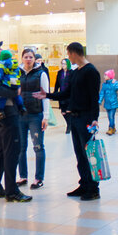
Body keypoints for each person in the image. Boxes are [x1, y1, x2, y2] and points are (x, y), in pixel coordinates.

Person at [35, 42, 100, 201]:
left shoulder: (91, 71)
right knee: (79, 154)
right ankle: (84, 183)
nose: (68, 57)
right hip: (75, 118)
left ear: (74, 53)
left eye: (68, 54)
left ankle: (93, 188)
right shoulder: (75, 72)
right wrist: (48, 95)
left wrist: (94, 119)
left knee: (87, 154)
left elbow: (94, 98)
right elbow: (66, 93)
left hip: (86, 118)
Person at [0, 42, 30, 203]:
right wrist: (14, 91)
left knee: (2, 151)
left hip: (7, 112)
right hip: (7, 112)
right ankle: (11, 191)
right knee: (12, 151)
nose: (2, 50)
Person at [16, 49, 48, 190]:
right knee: (21, 148)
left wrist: (45, 116)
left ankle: (38, 178)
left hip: (36, 115)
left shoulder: (41, 74)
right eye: (26, 57)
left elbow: (45, 95)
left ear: (34, 59)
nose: (28, 59)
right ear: (22, 58)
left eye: (31, 57)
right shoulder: (17, 73)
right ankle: (23, 176)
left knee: (38, 147)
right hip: (21, 115)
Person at [98, 70, 118, 135]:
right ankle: (113, 127)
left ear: (110, 76)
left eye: (106, 75)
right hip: (107, 104)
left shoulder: (114, 83)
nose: (104, 76)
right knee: (109, 116)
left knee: (111, 116)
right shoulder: (104, 85)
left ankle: (110, 128)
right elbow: (102, 93)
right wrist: (99, 101)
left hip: (113, 103)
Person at [55, 58, 73, 134]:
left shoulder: (72, 72)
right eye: (62, 63)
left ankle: (69, 126)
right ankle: (69, 124)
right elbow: (57, 84)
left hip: (69, 95)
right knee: (63, 112)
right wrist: (55, 92)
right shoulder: (60, 73)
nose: (63, 65)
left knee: (68, 111)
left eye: (64, 64)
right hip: (62, 94)